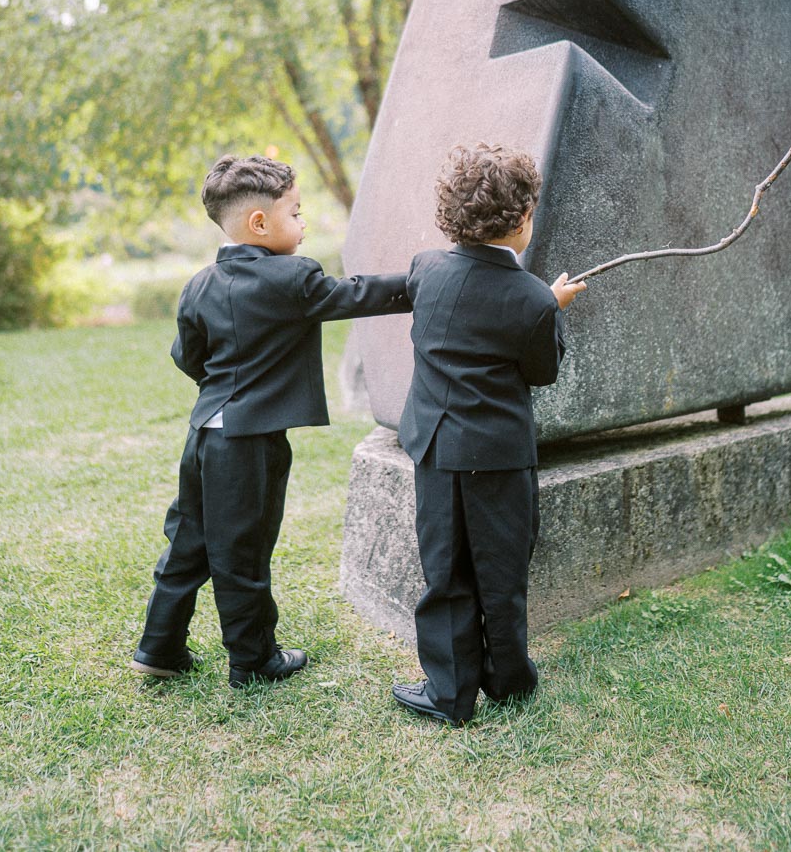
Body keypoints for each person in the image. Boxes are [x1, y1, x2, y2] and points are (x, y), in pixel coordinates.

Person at [131, 153, 410, 689]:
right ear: (260, 223)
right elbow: (357, 294)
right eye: (297, 213)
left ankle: (159, 646)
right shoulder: (293, 278)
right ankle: (254, 660)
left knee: (188, 539)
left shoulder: (199, 284)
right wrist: (424, 280)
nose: (304, 225)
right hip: (250, 444)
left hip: (204, 436)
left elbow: (187, 356)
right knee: (244, 551)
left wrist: (221, 388)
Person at [392, 142, 585, 726]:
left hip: (435, 451)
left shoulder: (426, 268)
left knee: (445, 571)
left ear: (450, 216)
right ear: (524, 219)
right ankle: (509, 679)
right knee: (502, 573)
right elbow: (541, 372)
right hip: (499, 459)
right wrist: (550, 307)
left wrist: (540, 304)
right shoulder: (531, 299)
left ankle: (450, 692)